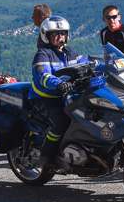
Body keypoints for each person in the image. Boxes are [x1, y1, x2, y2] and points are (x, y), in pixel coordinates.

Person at [28, 16, 87, 169]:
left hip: (66, 97)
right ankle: (48, 156)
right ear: (46, 36)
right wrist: (59, 84)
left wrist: (104, 68)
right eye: (55, 34)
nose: (60, 37)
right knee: (61, 121)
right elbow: (44, 76)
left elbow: (85, 63)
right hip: (44, 98)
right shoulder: (43, 54)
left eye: (62, 33)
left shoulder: (70, 52)